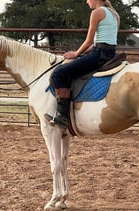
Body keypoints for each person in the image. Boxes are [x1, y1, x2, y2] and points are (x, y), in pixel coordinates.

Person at [45, 0, 120, 131]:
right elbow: (96, 43)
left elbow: (89, 40)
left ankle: (62, 116)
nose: (86, 1)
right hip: (108, 53)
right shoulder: (112, 13)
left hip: (99, 55)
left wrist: (76, 53)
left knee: (59, 73)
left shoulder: (96, 12)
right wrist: (79, 53)